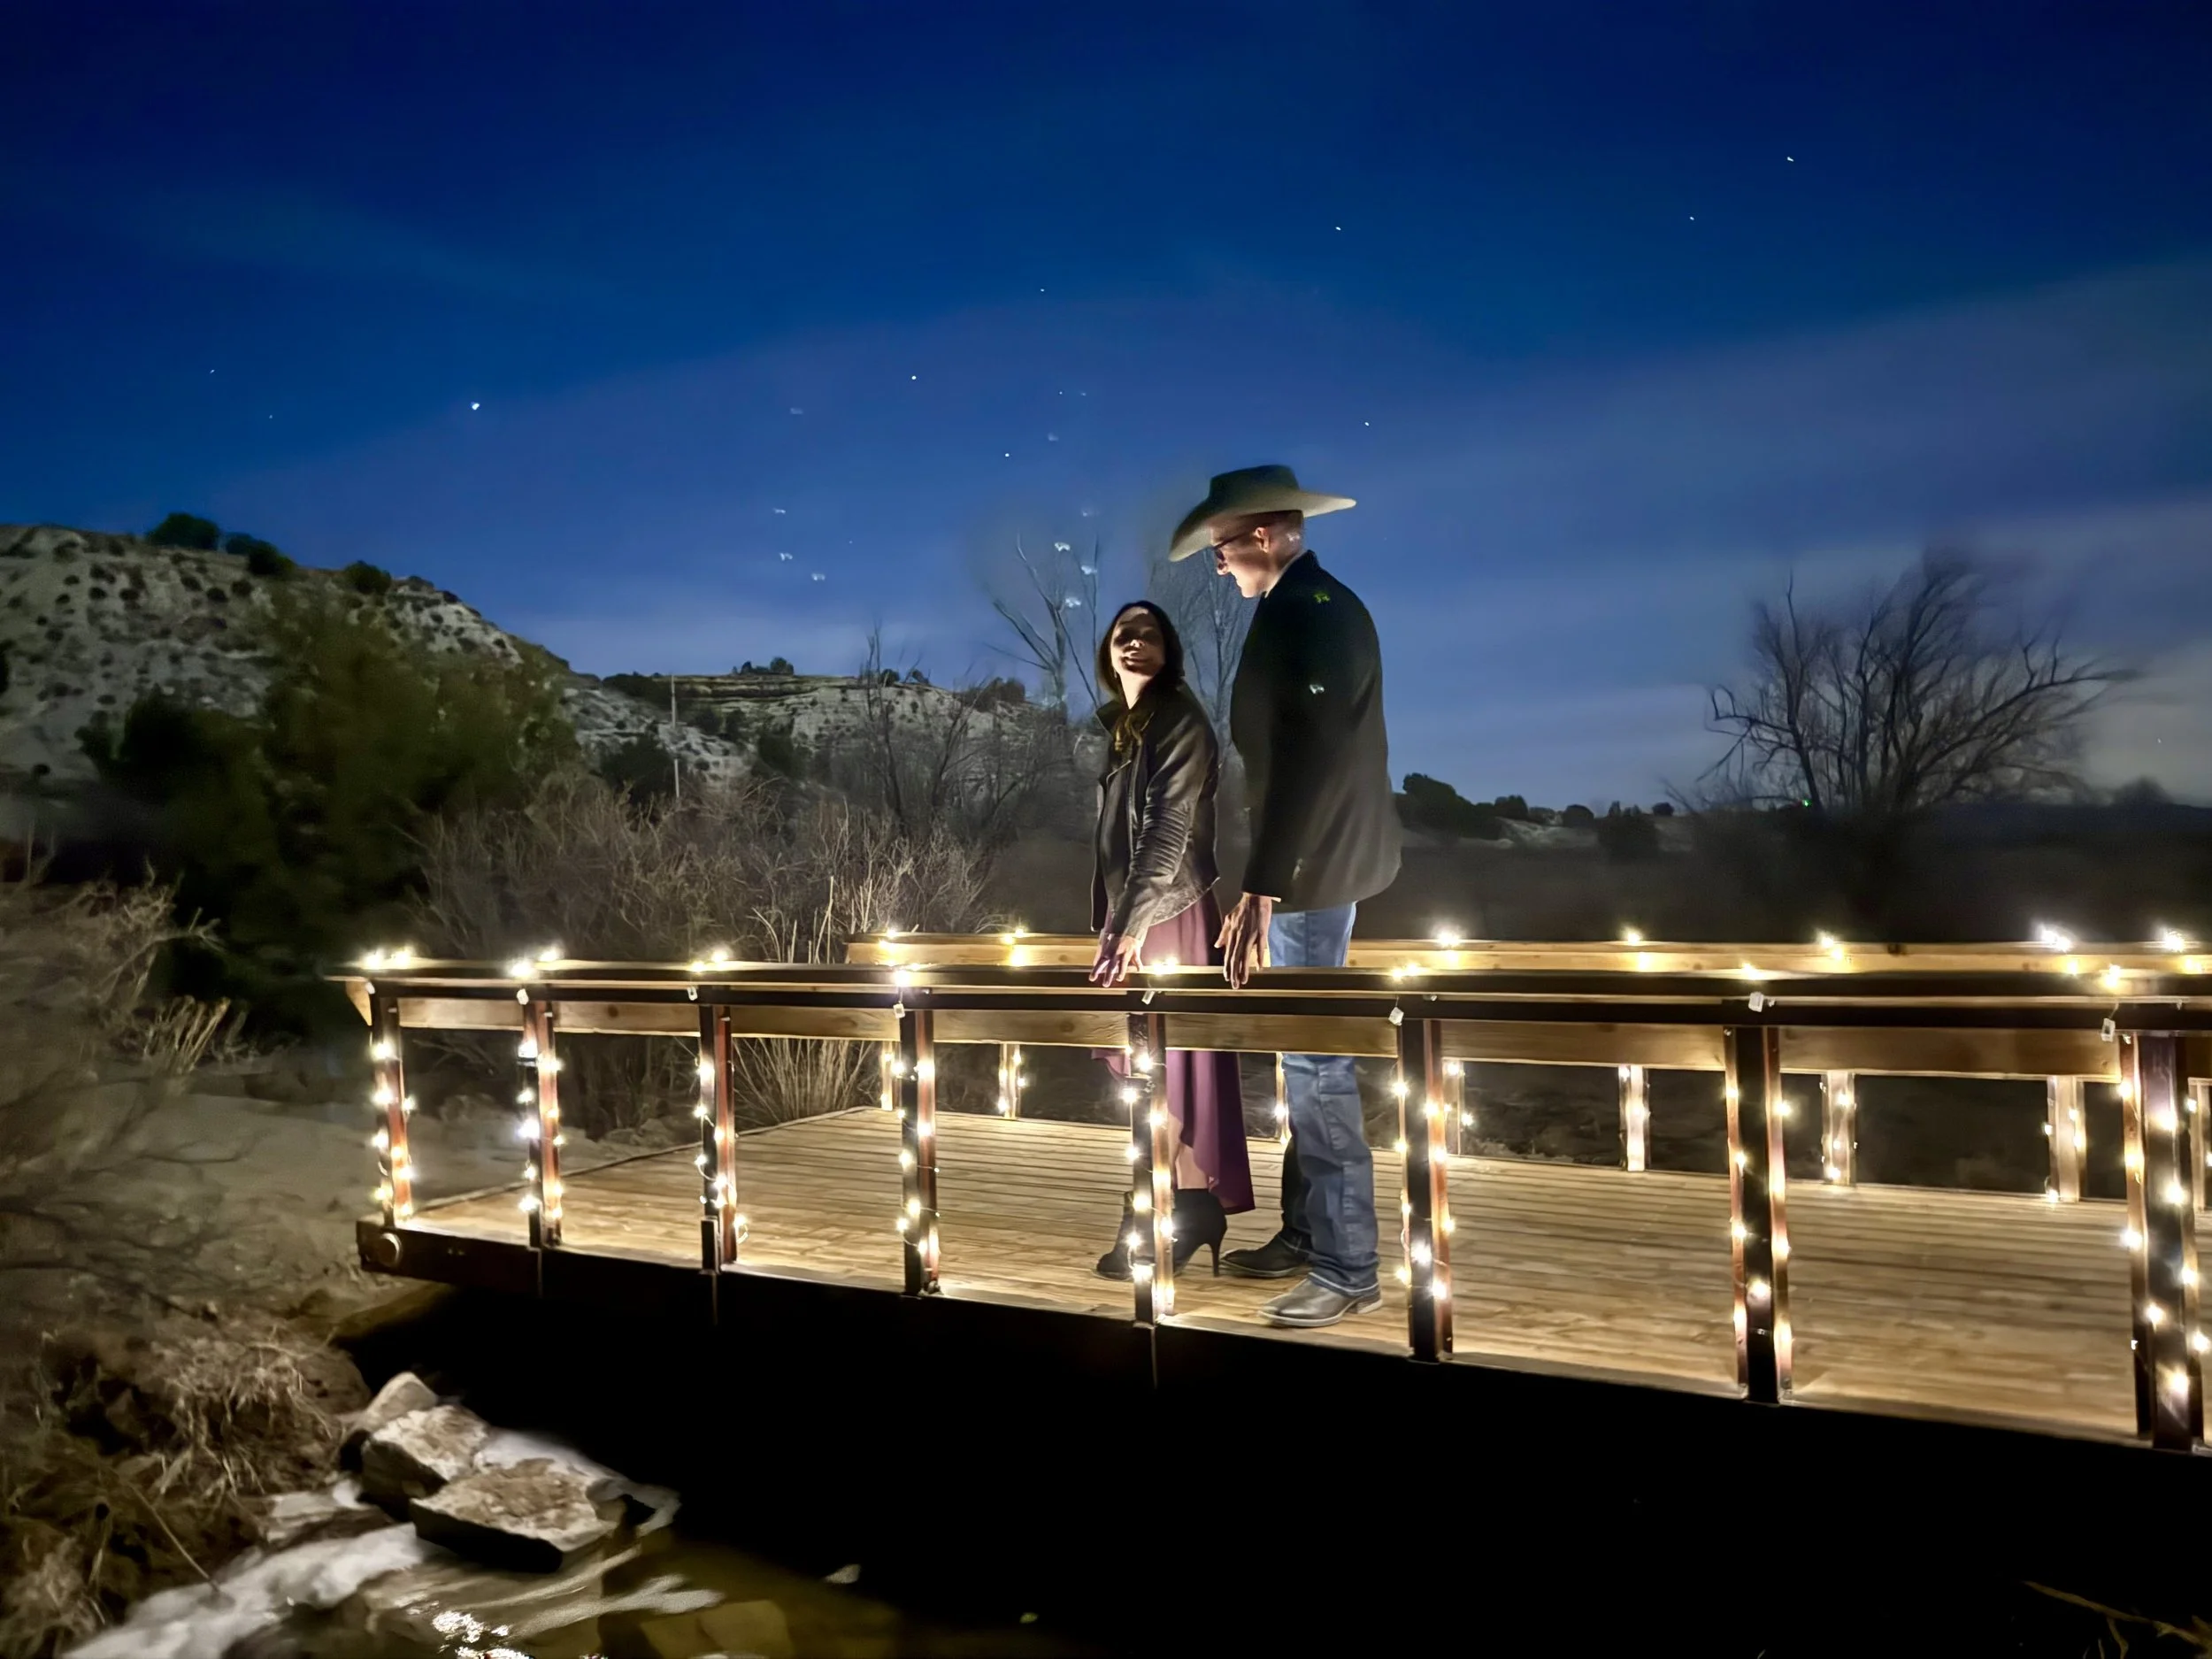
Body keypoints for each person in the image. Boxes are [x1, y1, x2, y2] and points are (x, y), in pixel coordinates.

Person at [1166, 465, 1402, 1328]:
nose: (1217, 565)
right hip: (1307, 863)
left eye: (1222, 548)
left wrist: (1266, 883)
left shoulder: (1317, 613)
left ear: (1265, 535)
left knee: (1312, 1059)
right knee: (1301, 1049)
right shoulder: (1296, 608)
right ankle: (1309, 1233)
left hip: (1312, 870)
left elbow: (1311, 759)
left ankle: (1348, 1267)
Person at [1087, 600, 1254, 1278]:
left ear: (1169, 650)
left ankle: (1171, 1206)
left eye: (1147, 633)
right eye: (1122, 633)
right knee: (1147, 1063)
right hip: (1134, 912)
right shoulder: (1128, 728)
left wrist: (1132, 923)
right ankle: (1175, 1201)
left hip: (1166, 912)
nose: (1132, 642)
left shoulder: (1179, 721)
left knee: (1165, 1063)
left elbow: (1167, 831)